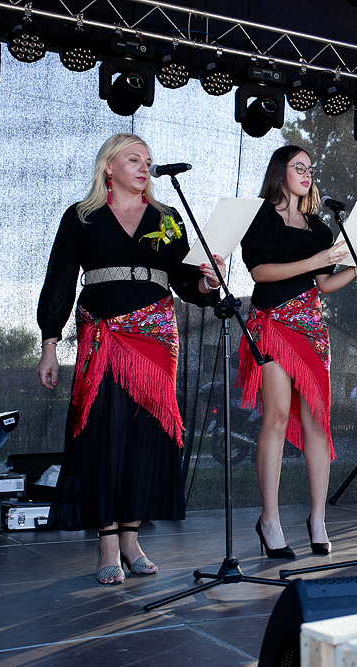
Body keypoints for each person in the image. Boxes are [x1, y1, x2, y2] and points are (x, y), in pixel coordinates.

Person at [36, 133, 225, 585]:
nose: (144, 167)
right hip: (101, 330)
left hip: (156, 336)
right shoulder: (82, 217)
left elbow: (187, 284)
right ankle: (105, 538)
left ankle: (131, 537)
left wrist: (209, 281)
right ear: (108, 167)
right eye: (133, 158)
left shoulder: (167, 217)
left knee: (145, 433)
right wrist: (49, 344)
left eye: (148, 160)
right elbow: (59, 281)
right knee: (104, 429)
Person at [236, 145, 357, 559]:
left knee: (317, 419)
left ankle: (317, 518)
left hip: (311, 328)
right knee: (277, 416)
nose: (307, 172)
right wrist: (317, 260)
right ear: (280, 170)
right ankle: (270, 520)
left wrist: (356, 265)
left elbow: (323, 284)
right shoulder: (261, 216)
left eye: (310, 168)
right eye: (299, 166)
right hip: (274, 325)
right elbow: (260, 272)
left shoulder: (319, 227)